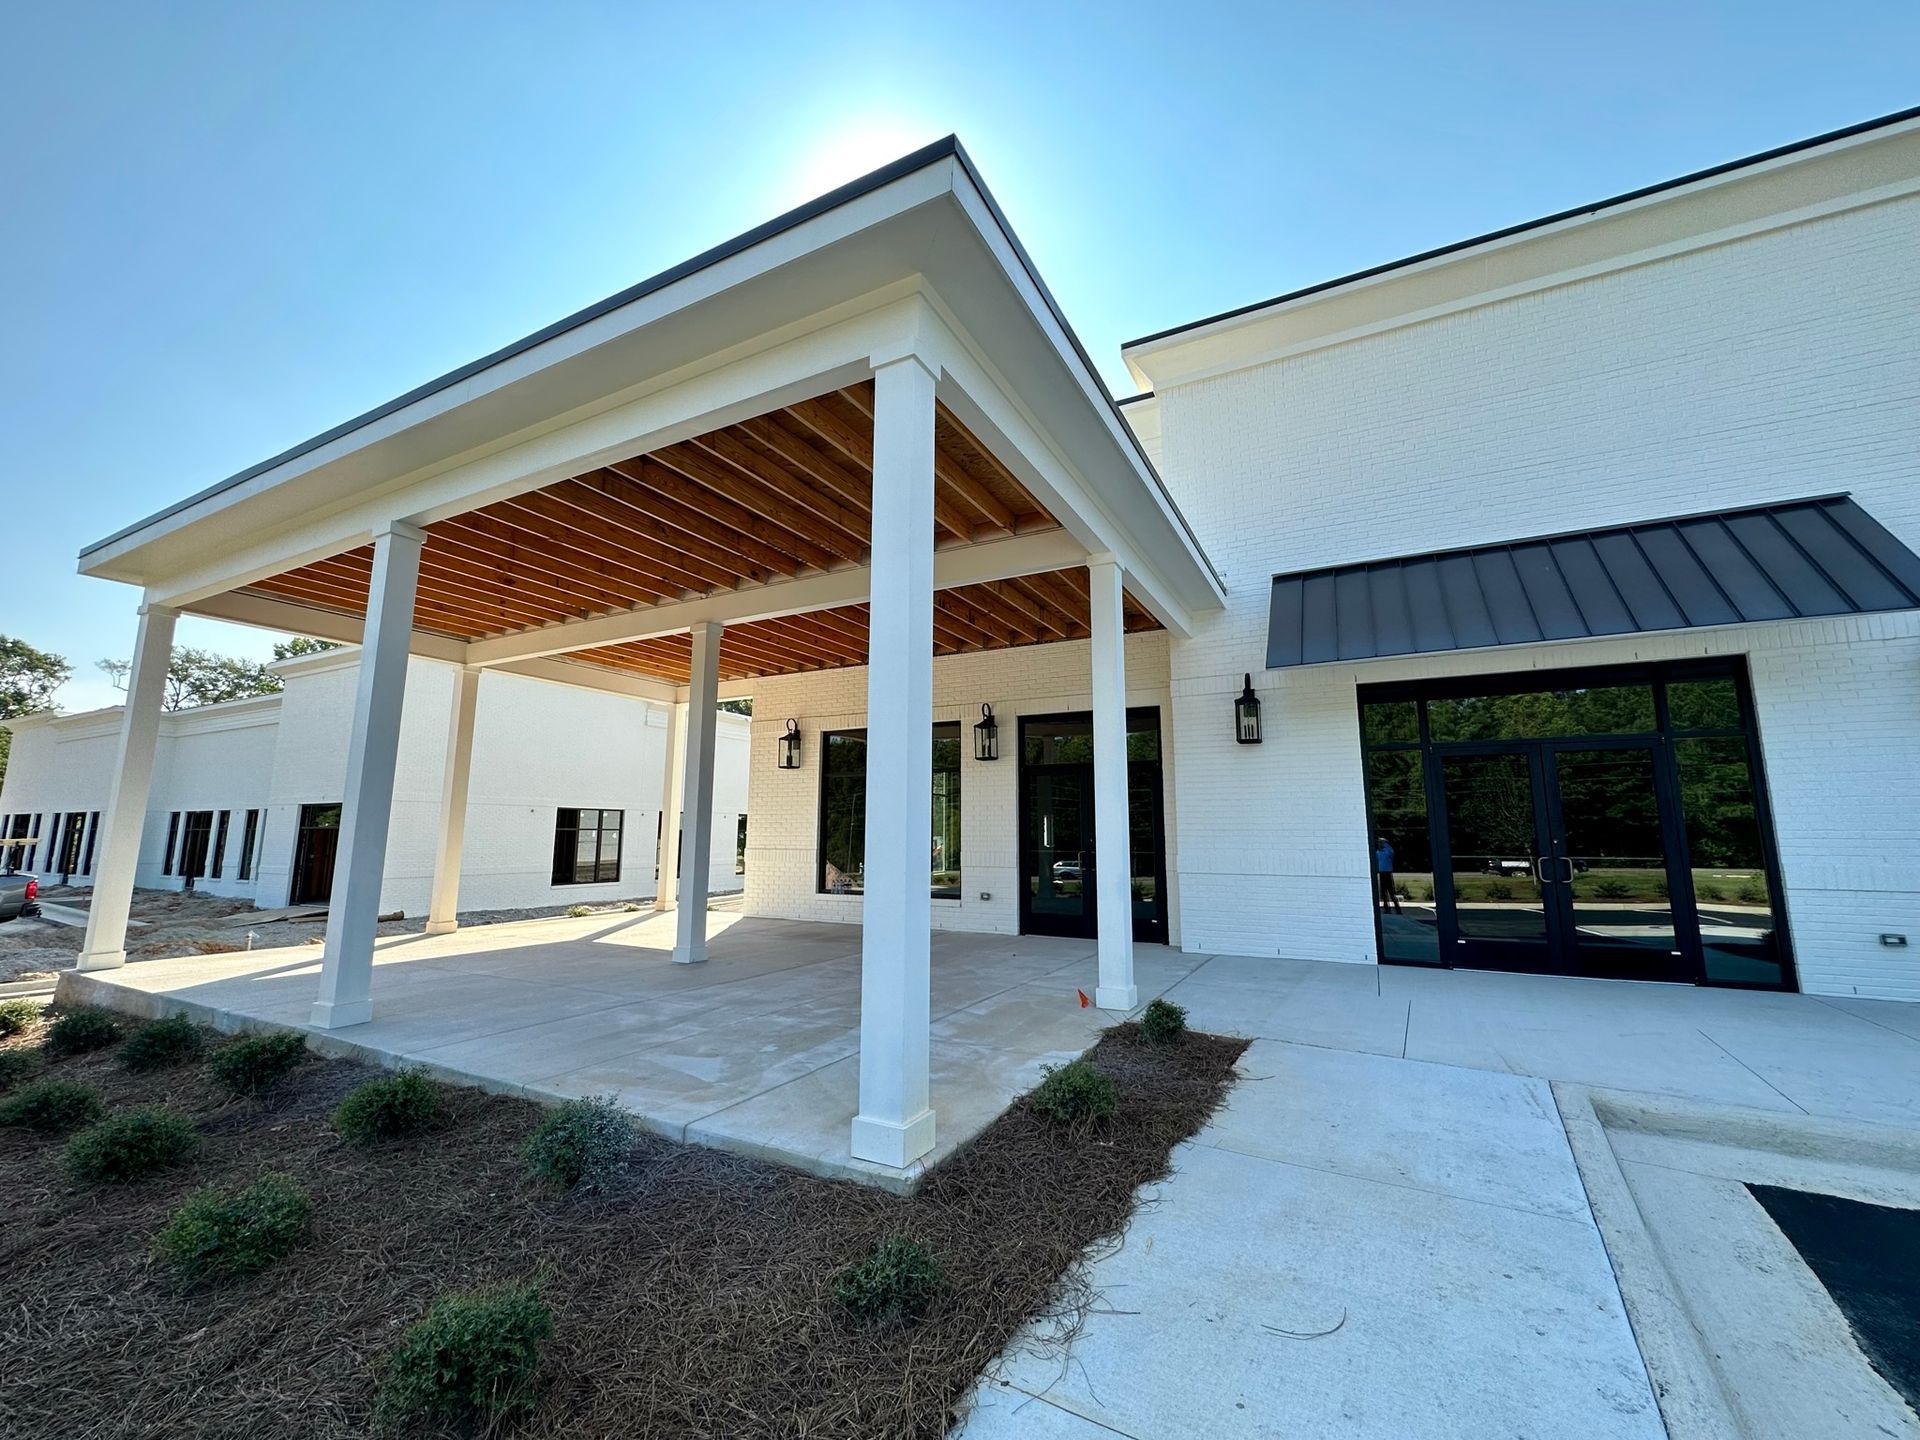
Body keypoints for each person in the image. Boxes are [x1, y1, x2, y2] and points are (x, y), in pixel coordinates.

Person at [1373, 835, 1401, 914]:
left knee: (1391, 892)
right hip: (1381, 873)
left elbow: (1392, 853)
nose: (1379, 844)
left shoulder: (1388, 851)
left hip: (1387, 873)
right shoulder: (1378, 852)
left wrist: (1385, 844)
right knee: (1383, 892)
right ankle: (1387, 909)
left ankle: (1397, 909)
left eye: (1381, 842)